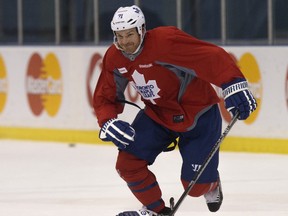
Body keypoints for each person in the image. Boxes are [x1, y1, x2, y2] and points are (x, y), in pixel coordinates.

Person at [93, 5, 257, 216]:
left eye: (129, 34)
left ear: (142, 30)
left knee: (195, 187)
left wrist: (234, 83)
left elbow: (211, 56)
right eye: (119, 36)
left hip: (198, 115)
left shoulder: (165, 41)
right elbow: (105, 96)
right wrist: (107, 121)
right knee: (127, 164)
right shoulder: (115, 57)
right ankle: (156, 211)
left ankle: (212, 183)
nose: (124, 42)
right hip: (158, 114)